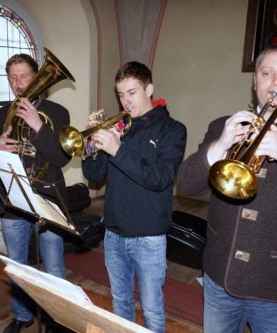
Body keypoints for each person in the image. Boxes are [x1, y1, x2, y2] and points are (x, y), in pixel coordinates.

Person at [176, 44, 277, 333]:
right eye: (266, 73)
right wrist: (221, 145)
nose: (276, 82)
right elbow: (186, 185)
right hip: (219, 279)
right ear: (255, 81)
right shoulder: (222, 127)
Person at [82, 61, 187, 333]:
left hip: (148, 236)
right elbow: (94, 174)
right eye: (120, 94)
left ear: (149, 89)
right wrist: (92, 143)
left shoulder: (173, 130)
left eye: (132, 92)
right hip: (114, 233)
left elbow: (160, 179)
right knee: (120, 302)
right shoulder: (117, 127)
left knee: (152, 308)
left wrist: (118, 150)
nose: (125, 101)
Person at [0, 53, 71, 333]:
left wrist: (38, 126)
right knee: (17, 266)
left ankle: (57, 318)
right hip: (12, 202)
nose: (18, 83)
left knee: (53, 266)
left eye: (24, 76)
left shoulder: (56, 113)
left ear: (37, 79)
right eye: (13, 77)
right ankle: (22, 316)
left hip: (48, 200)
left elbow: (61, 158)